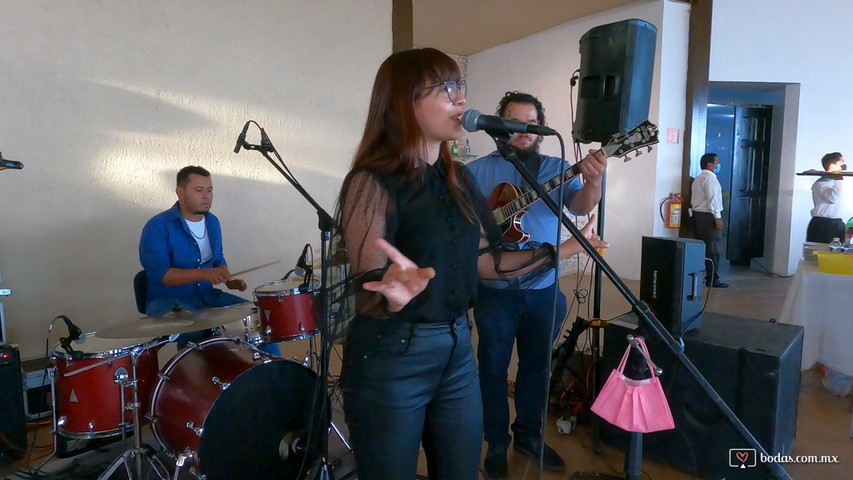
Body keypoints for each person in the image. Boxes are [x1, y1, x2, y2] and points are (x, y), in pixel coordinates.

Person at [334, 48, 607, 480]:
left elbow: (484, 263)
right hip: (394, 356)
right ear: (404, 101)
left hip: (457, 346)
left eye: (460, 86)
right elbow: (369, 292)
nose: (460, 99)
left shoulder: (458, 178)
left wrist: (559, 253)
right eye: (446, 88)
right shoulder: (370, 182)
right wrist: (391, 293)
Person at [466, 91, 607, 477]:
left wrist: (594, 180)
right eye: (514, 123)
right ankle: (495, 442)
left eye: (530, 124)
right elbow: (465, 224)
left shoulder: (556, 167)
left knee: (536, 368)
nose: (523, 131)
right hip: (495, 290)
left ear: (540, 128)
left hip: (544, 287)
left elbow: (580, 206)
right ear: (500, 126)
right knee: (492, 367)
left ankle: (529, 434)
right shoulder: (477, 171)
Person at [139, 166, 280, 355]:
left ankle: (275, 377)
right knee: (198, 332)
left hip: (208, 297)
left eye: (210, 190)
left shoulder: (212, 222)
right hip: (167, 302)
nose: (206, 196)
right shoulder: (157, 226)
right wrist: (205, 274)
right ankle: (195, 378)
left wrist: (228, 279)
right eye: (199, 190)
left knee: (259, 321)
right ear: (180, 192)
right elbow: (159, 274)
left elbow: (217, 259)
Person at [691, 153, 729, 288]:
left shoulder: (699, 178)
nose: (718, 164)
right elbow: (713, 200)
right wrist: (717, 217)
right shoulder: (710, 179)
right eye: (716, 162)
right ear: (709, 164)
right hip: (708, 217)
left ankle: (708, 276)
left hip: (698, 216)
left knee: (706, 248)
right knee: (714, 249)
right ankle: (713, 279)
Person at [806, 152, 846, 243]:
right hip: (823, 225)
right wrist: (838, 180)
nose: (844, 164)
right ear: (832, 166)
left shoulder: (835, 182)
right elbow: (832, 198)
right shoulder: (821, 183)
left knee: (838, 255)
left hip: (837, 223)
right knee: (820, 254)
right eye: (842, 162)